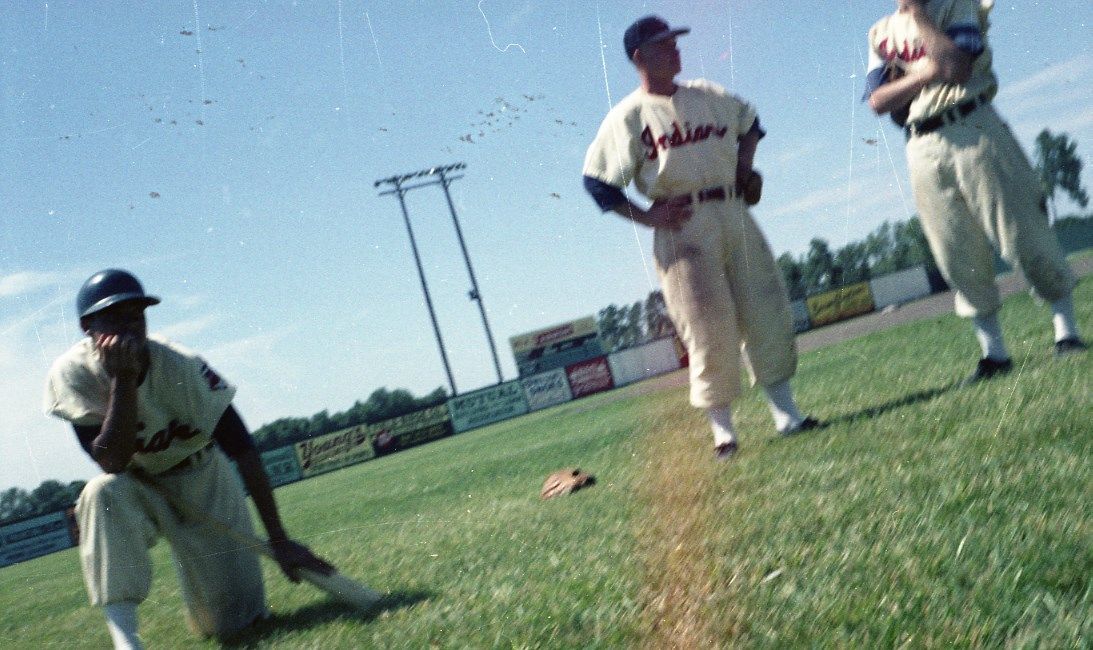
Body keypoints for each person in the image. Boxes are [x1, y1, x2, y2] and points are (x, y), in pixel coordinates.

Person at [43, 269, 335, 649]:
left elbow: (242, 449)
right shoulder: (72, 374)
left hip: (202, 474)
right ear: (87, 326)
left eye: (136, 316)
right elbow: (111, 461)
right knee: (101, 493)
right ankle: (125, 640)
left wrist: (279, 539)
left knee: (235, 625)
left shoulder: (180, 366)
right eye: (113, 318)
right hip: (138, 483)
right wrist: (123, 380)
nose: (129, 328)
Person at [581, 16, 819, 460]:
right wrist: (648, 218)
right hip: (683, 225)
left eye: (675, 41)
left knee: (764, 309)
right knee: (707, 327)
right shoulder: (627, 117)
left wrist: (743, 169)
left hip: (732, 210)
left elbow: (751, 123)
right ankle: (723, 435)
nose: (675, 49)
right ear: (639, 57)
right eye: (663, 44)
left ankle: (788, 416)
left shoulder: (706, 94)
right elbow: (598, 183)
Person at [864, 0, 1086, 384]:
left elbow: (956, 67)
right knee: (954, 250)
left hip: (973, 122)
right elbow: (879, 101)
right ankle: (994, 354)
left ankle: (1066, 332)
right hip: (921, 142)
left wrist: (918, 18)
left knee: (1021, 231)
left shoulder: (956, 3)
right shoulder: (880, 31)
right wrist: (925, 73)